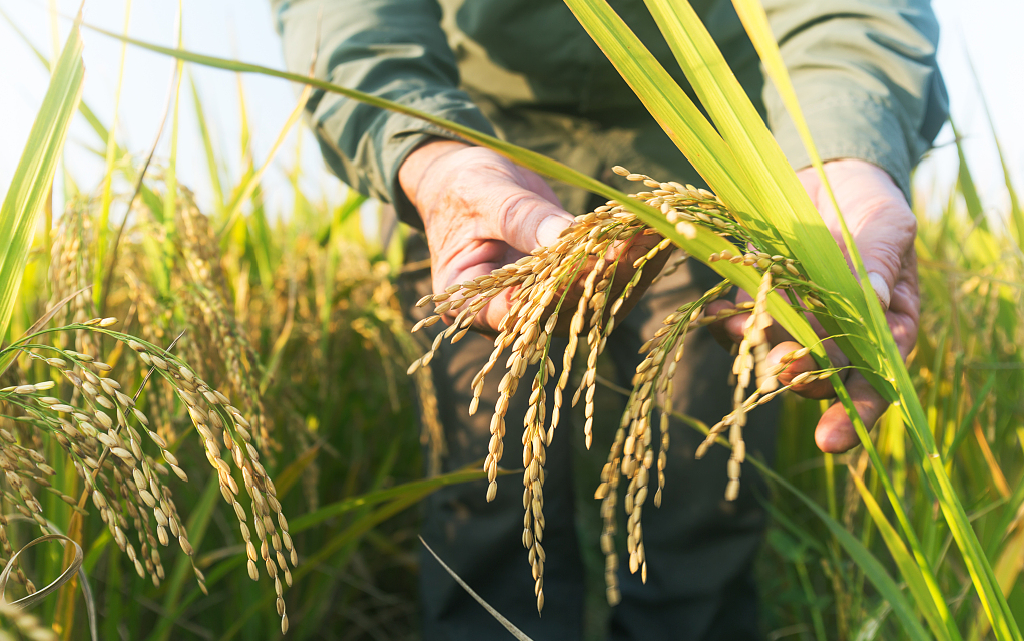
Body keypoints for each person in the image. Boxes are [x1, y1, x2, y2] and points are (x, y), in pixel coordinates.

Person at [272, 0, 947, 638]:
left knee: (698, 486)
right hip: (475, 137)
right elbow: (350, 16)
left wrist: (844, 157)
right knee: (484, 484)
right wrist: (424, 145)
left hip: (706, 145)